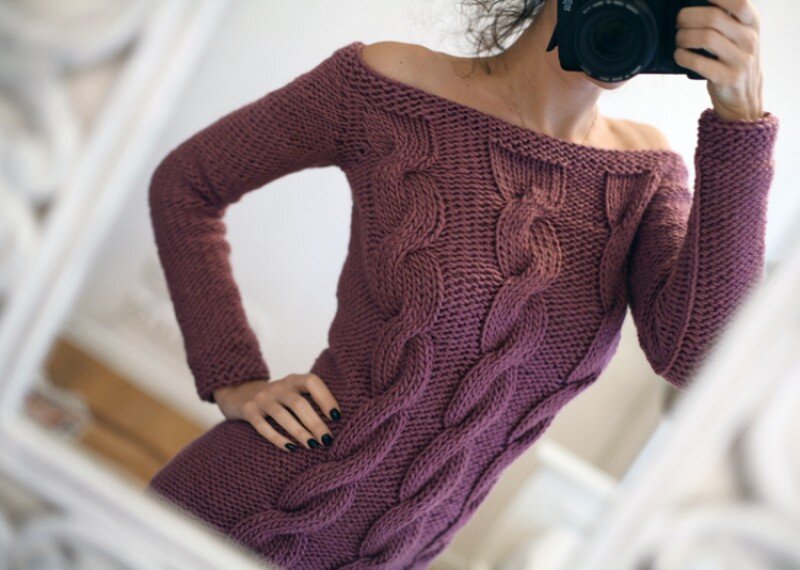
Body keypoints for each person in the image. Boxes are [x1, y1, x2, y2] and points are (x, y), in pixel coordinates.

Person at [144, 0, 779, 568]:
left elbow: (703, 360)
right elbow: (187, 185)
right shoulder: (389, 86)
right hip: (241, 518)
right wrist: (234, 376)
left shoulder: (644, 178)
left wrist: (740, 126)